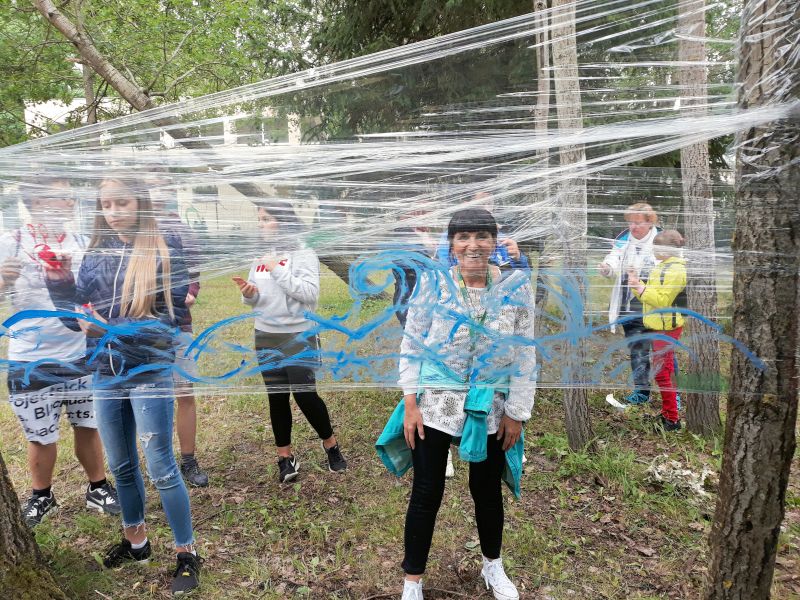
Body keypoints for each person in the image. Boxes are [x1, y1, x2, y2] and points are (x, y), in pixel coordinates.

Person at [44, 176, 203, 596]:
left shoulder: (164, 250)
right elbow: (74, 316)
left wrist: (115, 329)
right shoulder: (95, 256)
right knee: (120, 465)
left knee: (162, 467)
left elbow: (170, 321)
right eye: (106, 205)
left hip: (148, 372)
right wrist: (59, 284)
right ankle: (137, 543)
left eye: (122, 203)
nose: (114, 212)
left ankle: (186, 553)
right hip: (104, 373)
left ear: (141, 204)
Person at [379, 208, 536, 600]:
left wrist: (517, 412)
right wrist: (410, 401)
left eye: (482, 236)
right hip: (436, 402)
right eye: (463, 236)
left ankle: (492, 567)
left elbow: (525, 354)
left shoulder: (516, 287)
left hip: (491, 406)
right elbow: (412, 342)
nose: (473, 245)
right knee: (427, 491)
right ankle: (412, 581)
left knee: (486, 491)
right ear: (451, 244)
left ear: (494, 242)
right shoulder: (434, 284)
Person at [0, 177, 120, 527]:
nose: (69, 205)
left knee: (88, 424)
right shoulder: (10, 243)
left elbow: (98, 294)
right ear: (35, 203)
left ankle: (98, 488)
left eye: (70, 199)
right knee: (40, 434)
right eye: (60, 199)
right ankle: (41, 495)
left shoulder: (83, 242)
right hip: (30, 359)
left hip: (81, 354)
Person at [233, 201, 347, 484]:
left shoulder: (303, 253)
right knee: (276, 396)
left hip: (298, 335)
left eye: (267, 219)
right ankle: (285, 456)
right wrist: (249, 294)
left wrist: (277, 269)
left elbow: (309, 294)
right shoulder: (260, 256)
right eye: (260, 219)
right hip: (266, 335)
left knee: (305, 394)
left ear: (283, 221)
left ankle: (331, 445)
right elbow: (255, 298)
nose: (262, 225)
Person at [147, 174, 209, 487]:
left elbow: (194, 273)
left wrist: (191, 294)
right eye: (151, 185)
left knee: (184, 391)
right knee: (151, 396)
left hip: (178, 325)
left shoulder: (182, 230)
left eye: (163, 185)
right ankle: (159, 461)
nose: (158, 192)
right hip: (142, 329)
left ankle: (188, 460)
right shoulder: (136, 230)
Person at [598, 202, 660, 404]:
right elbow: (614, 257)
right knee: (637, 350)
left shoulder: (662, 240)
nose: (633, 227)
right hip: (630, 307)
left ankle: (672, 394)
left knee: (663, 352)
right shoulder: (625, 238)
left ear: (650, 223)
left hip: (657, 307)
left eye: (638, 223)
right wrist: (607, 267)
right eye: (631, 222)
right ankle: (642, 393)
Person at [628, 230, 687, 431]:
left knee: (663, 374)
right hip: (658, 328)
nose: (653, 252)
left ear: (665, 250)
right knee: (663, 371)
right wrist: (637, 284)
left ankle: (672, 420)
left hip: (666, 330)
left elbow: (662, 301)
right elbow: (652, 296)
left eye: (655, 248)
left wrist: (641, 288)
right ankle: (669, 415)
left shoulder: (675, 270)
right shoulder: (664, 266)